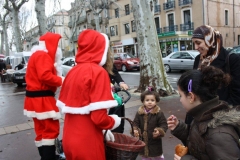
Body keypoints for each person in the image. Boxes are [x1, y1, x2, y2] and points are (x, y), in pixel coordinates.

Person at [56, 29, 121, 160]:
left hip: (69, 138)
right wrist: (114, 121)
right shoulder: (98, 72)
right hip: (88, 141)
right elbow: (99, 118)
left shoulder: (73, 71)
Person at [167, 66, 240, 160]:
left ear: (191, 97)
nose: (180, 100)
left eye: (180, 96)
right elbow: (199, 141)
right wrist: (179, 128)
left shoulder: (218, 134)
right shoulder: (203, 115)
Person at [185, 25, 240, 126]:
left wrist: (223, 114)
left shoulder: (232, 59)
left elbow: (237, 93)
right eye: (194, 43)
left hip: (220, 117)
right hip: (199, 113)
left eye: (198, 43)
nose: (196, 47)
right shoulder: (198, 59)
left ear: (211, 40)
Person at [23, 32, 64, 160]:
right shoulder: (43, 56)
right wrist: (62, 80)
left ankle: (45, 157)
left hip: (33, 99)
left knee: (41, 130)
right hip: (43, 99)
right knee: (50, 130)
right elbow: (45, 76)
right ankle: (49, 157)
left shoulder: (36, 55)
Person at [133, 87, 168, 160]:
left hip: (155, 140)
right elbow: (135, 123)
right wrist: (135, 130)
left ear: (156, 101)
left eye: (152, 100)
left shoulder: (159, 113)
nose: (149, 102)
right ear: (143, 101)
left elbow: (164, 124)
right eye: (147, 100)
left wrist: (159, 131)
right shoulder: (140, 113)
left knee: (157, 154)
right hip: (143, 139)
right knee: (145, 155)